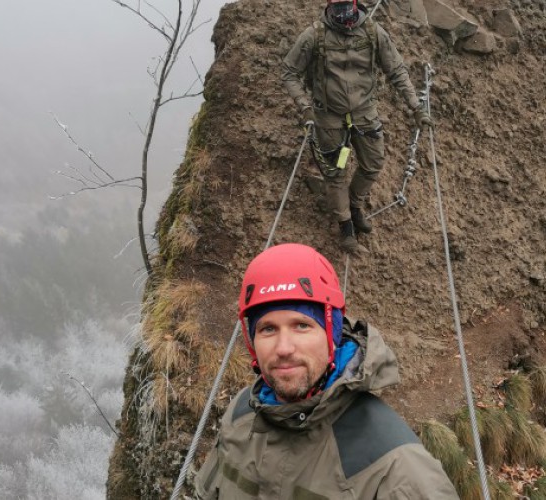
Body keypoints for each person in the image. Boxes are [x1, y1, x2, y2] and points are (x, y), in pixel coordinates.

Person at [195, 243, 457, 499]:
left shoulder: (396, 468)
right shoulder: (240, 413)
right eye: (268, 329)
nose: (284, 348)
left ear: (332, 335)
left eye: (301, 325)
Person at [282, 0, 433, 253]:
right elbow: (289, 71)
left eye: (347, 9)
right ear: (330, 7)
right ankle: (346, 228)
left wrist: (416, 107)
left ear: (356, 5)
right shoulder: (314, 35)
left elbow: (396, 70)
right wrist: (304, 106)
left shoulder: (373, 32)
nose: (343, 16)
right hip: (328, 115)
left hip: (364, 112)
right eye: (338, 10)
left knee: (373, 163)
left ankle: (355, 204)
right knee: (335, 172)